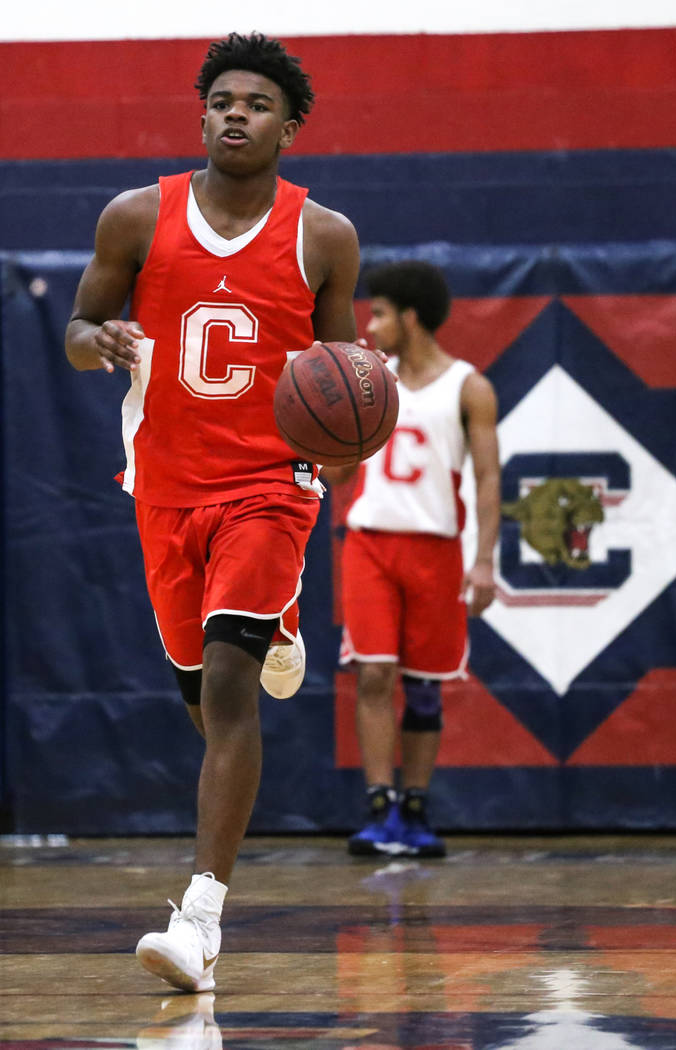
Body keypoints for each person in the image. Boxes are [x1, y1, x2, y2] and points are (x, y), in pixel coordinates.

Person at [65, 32, 366, 993]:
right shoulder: (133, 216)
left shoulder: (323, 235)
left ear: (290, 126)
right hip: (162, 488)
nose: (237, 113)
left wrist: (338, 451)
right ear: (202, 114)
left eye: (259, 103)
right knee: (201, 697)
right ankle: (275, 625)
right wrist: (96, 339)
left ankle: (199, 921)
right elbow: (76, 329)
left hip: (272, 488)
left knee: (232, 690)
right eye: (223, 99)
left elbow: (345, 375)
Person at [323, 261, 500, 858]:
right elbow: (343, 468)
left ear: (411, 316)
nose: (369, 327)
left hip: (437, 547)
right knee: (373, 672)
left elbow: (488, 478)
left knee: (424, 688)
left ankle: (417, 809)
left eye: (379, 313)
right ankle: (379, 806)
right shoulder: (369, 381)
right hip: (370, 540)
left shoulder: (470, 387)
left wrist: (484, 561)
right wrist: (315, 441)